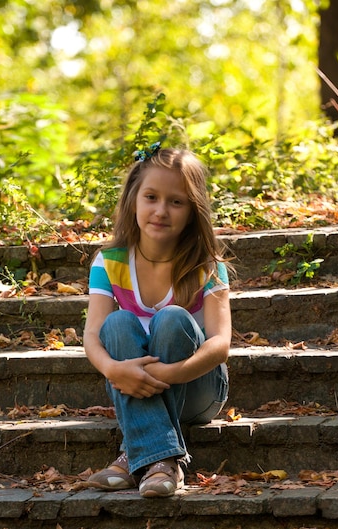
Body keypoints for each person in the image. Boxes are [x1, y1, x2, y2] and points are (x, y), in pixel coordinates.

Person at [83, 144, 231, 498]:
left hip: (199, 388)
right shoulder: (110, 262)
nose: (161, 210)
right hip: (132, 381)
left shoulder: (206, 265)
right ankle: (161, 461)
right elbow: (92, 336)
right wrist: (112, 370)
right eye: (151, 197)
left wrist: (171, 373)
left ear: (192, 211)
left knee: (171, 318)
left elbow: (220, 344)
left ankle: (134, 453)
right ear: (134, 199)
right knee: (116, 326)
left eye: (176, 202)